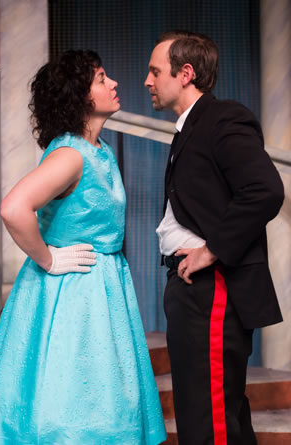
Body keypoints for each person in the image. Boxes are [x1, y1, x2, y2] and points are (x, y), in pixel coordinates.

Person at [0, 50, 167, 444]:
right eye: (102, 78)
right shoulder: (71, 154)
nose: (114, 83)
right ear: (81, 96)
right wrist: (49, 258)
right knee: (73, 406)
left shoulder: (98, 150)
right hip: (74, 294)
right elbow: (13, 208)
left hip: (102, 290)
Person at [144, 31, 284, 445]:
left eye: (155, 72)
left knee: (211, 424)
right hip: (191, 290)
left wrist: (212, 250)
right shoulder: (188, 128)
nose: (147, 82)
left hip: (212, 288)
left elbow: (266, 190)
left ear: (185, 73)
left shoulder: (223, 118)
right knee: (210, 415)